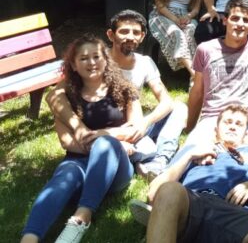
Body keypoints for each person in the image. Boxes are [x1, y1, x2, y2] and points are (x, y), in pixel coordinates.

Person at [21, 35, 142, 243]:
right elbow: (66, 141)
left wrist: (106, 139)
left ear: (106, 60)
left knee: (106, 143)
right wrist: (103, 145)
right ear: (74, 65)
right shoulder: (66, 99)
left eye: (96, 56)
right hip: (77, 160)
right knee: (64, 177)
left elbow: (136, 128)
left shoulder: (124, 89)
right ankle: (29, 238)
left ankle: (81, 218)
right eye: (84, 58)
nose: (91, 62)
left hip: (116, 168)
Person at [47, 10, 186, 179]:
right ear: (111, 35)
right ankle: (132, 157)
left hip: (132, 124)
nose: (130, 37)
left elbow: (166, 101)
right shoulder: (96, 59)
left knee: (179, 107)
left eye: (136, 32)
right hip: (101, 125)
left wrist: (145, 122)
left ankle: (159, 160)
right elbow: (54, 96)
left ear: (142, 37)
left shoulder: (145, 63)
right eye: (124, 31)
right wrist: (79, 127)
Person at [134, 104, 248, 243]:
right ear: (216, 131)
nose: (233, 127)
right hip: (193, 202)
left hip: (235, 211)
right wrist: (189, 156)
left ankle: (159, 222)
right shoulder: (194, 149)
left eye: (239, 124)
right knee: (169, 190)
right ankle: (163, 218)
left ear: (246, 134)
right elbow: (154, 191)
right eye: (227, 122)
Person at [187, 0, 248, 145]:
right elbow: (197, 90)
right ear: (225, 20)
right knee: (193, 151)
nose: (240, 24)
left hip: (246, 118)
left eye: (246, 20)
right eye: (235, 18)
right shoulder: (205, 49)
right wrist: (190, 127)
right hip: (212, 117)